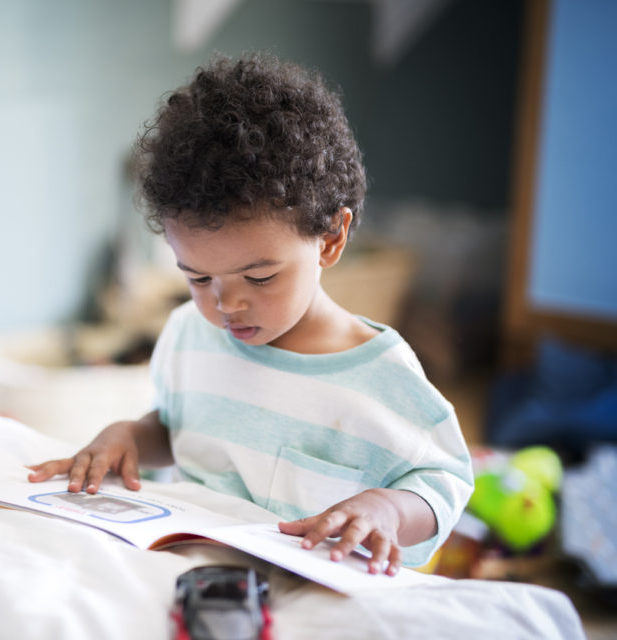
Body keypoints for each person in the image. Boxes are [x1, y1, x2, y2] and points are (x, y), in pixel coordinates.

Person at [28, 52, 474, 575]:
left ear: (331, 239)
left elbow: (442, 482)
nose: (226, 303)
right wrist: (130, 435)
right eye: (197, 278)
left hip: (312, 588)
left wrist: (388, 509)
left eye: (260, 278)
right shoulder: (190, 335)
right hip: (194, 574)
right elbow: (181, 429)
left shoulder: (382, 376)